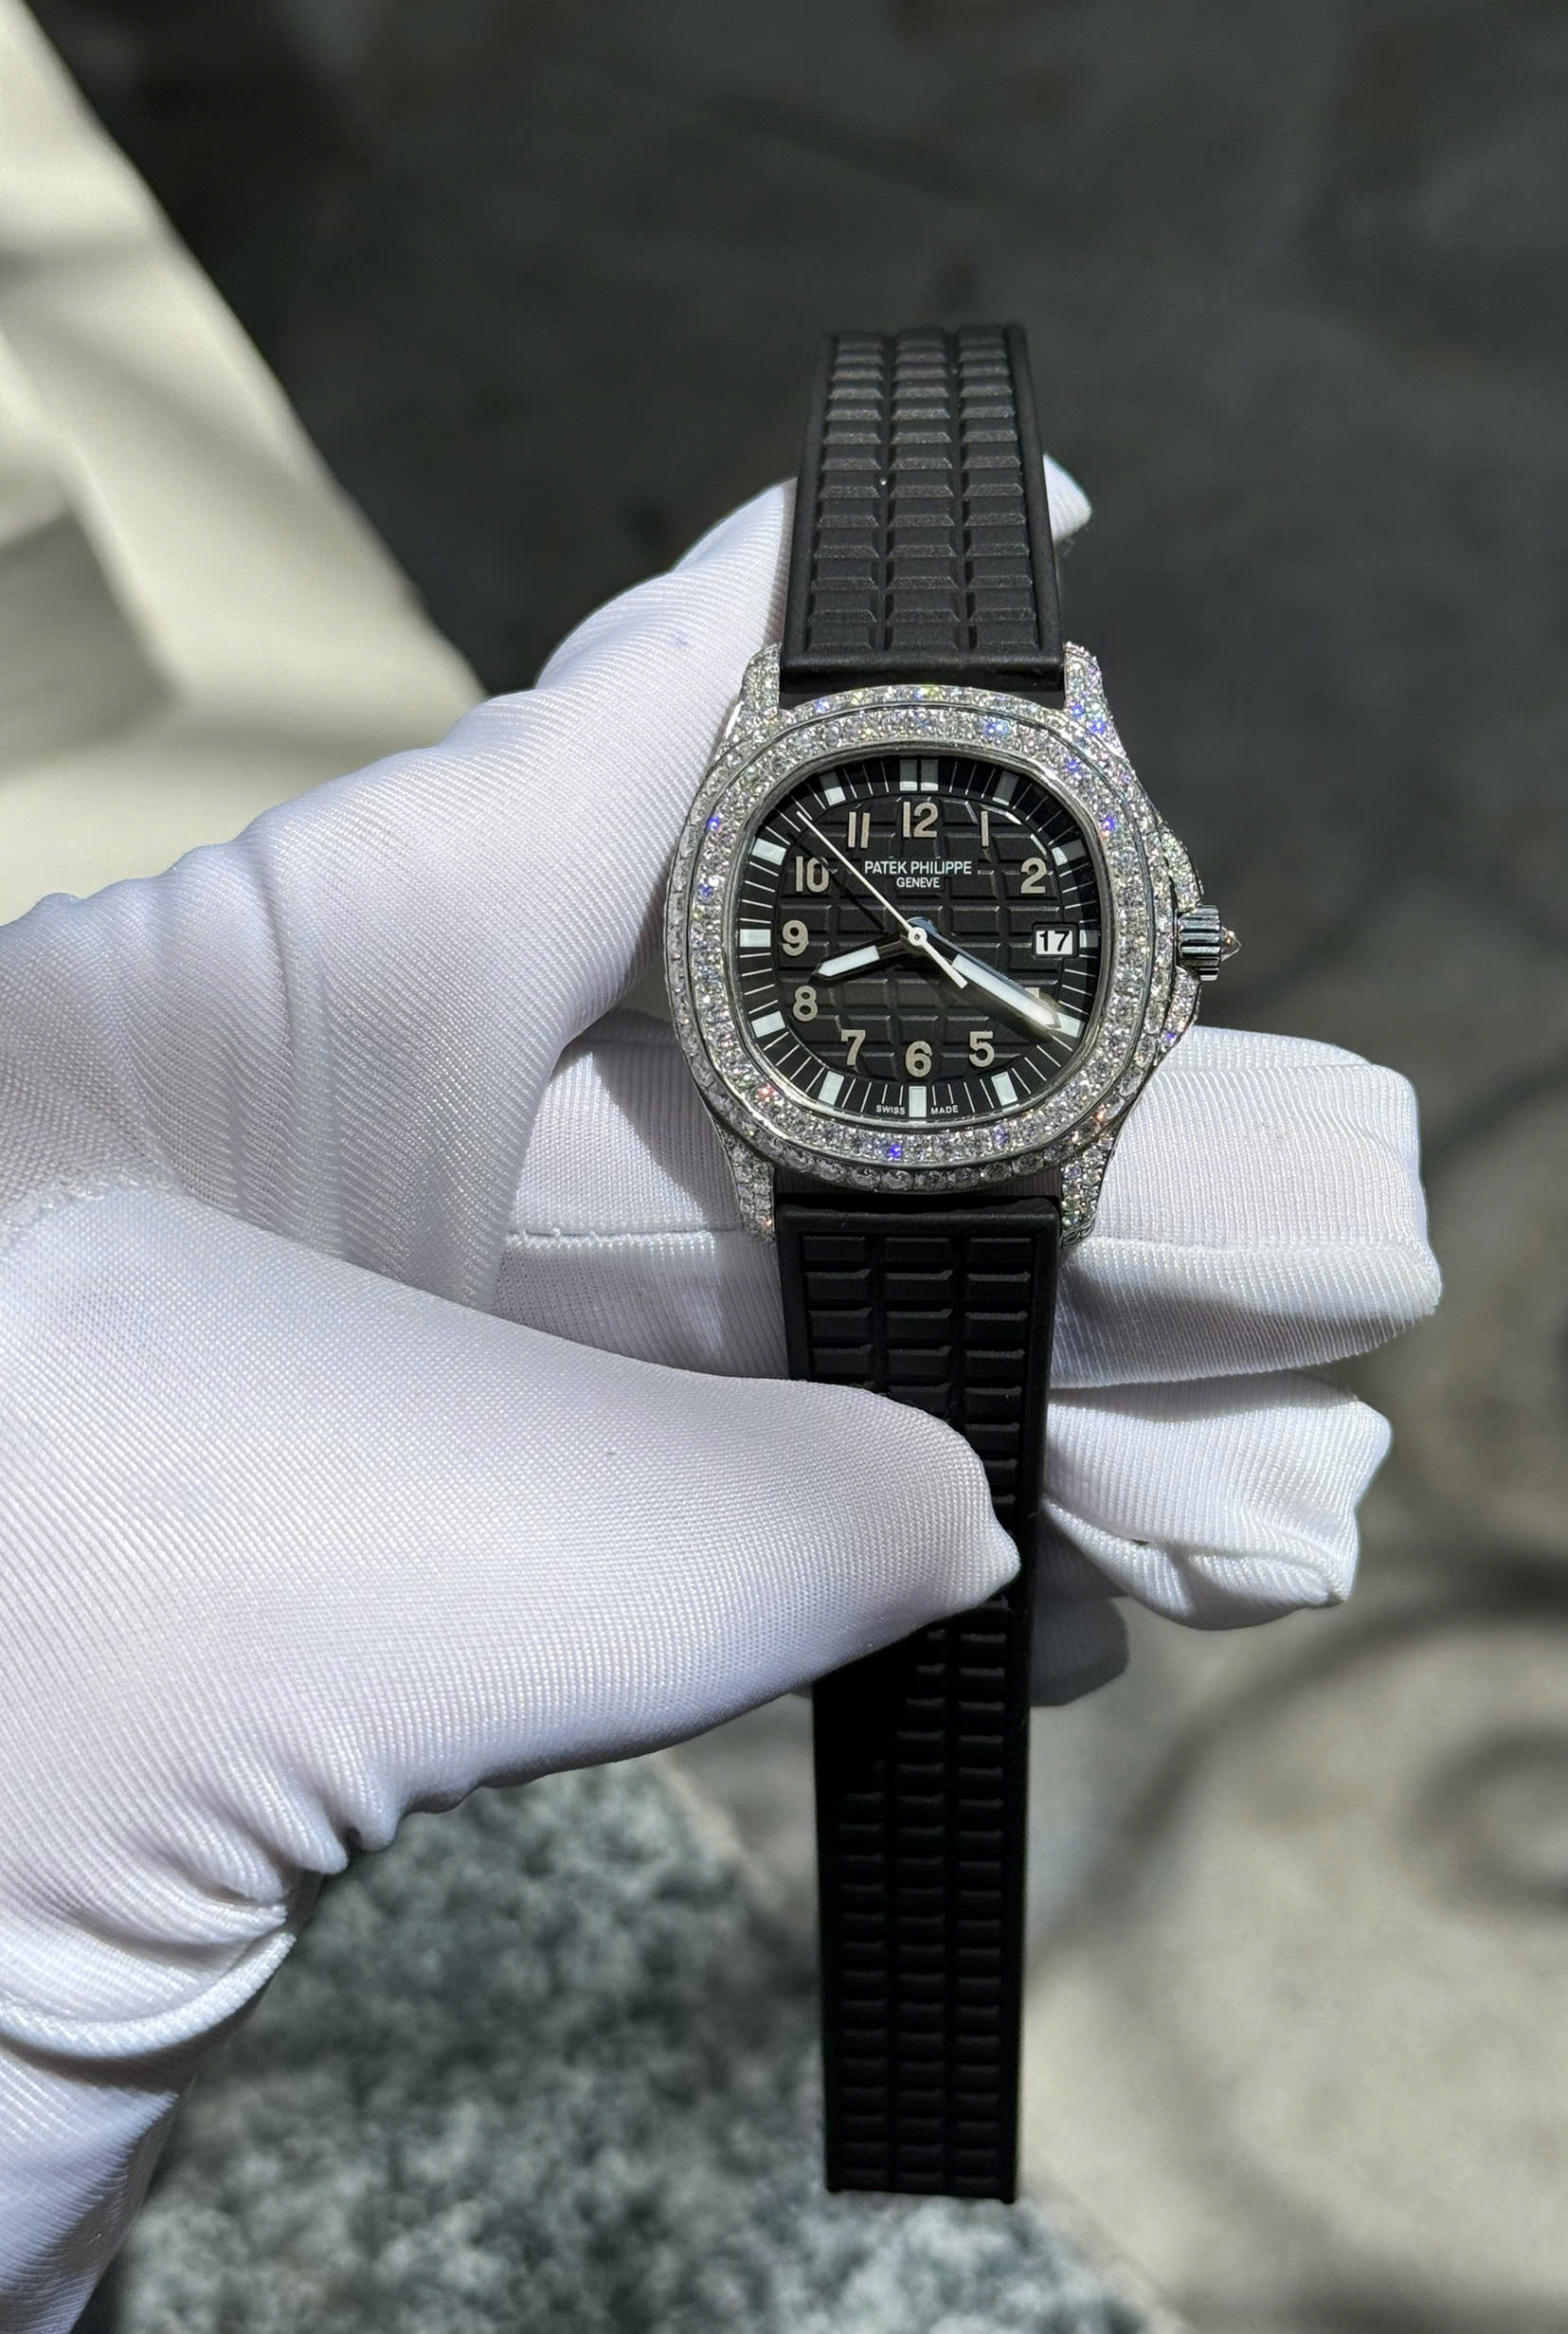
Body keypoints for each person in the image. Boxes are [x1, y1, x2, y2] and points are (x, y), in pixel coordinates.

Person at [0, 465, 1441, 2329]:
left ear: (1153, 936)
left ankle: (921, 2119)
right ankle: (916, 2119)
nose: (917, 958)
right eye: (883, 937)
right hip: (880, 1157)